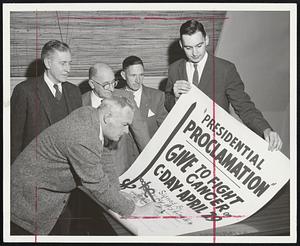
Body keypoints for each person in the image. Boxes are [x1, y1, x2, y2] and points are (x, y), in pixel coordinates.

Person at [11, 96, 156, 235]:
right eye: (125, 125)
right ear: (107, 118)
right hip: (27, 203)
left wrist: (116, 191)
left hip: (46, 193)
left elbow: (103, 155)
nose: (126, 131)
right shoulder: (83, 136)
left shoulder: (91, 114)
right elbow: (98, 186)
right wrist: (135, 210)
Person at [164, 19, 282, 151]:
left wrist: (265, 130)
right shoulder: (174, 69)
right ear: (181, 45)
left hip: (217, 144)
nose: (195, 53)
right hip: (185, 142)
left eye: (199, 45)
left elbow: (244, 107)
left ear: (207, 40)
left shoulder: (225, 69)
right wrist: (175, 98)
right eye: (188, 48)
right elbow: (167, 104)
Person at [11, 39, 82, 163]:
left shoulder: (74, 91)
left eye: (69, 63)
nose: (68, 69)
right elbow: (14, 139)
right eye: (63, 63)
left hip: (67, 167)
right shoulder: (24, 91)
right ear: (48, 63)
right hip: (34, 167)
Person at [121, 55, 168, 138]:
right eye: (133, 75)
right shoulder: (115, 97)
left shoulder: (157, 96)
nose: (138, 80)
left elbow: (166, 130)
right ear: (124, 75)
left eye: (141, 75)